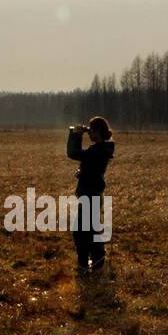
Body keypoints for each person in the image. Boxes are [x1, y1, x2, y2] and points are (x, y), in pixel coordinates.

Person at [66, 116, 114, 274]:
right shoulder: (101, 149)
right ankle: (92, 264)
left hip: (91, 196)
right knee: (87, 231)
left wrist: (75, 134)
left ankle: (90, 264)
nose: (89, 134)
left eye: (91, 130)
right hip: (91, 195)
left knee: (82, 232)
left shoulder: (98, 150)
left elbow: (73, 153)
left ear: (98, 131)